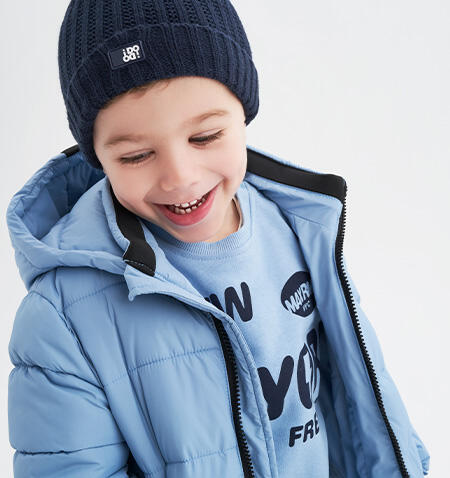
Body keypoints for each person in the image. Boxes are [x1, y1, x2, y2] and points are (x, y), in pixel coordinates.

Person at [6, 1, 429, 477]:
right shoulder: (63, 317)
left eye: (205, 137)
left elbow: (360, 396)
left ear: (243, 113)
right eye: (136, 155)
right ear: (97, 158)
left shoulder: (297, 226)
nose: (180, 177)